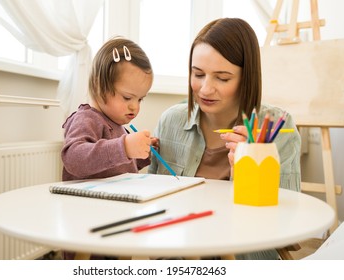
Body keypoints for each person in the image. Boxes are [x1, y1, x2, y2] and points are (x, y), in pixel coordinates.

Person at [148, 18, 301, 260]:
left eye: (222, 78)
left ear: (246, 77)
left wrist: (248, 172)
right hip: (177, 253)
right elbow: (151, 201)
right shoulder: (171, 121)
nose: (205, 89)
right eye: (198, 74)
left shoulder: (275, 127)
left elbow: (287, 224)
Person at [61, 37, 156, 182]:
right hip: (85, 203)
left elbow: (115, 166)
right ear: (99, 85)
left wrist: (142, 152)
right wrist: (124, 147)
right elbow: (74, 159)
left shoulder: (118, 126)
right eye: (127, 97)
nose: (135, 107)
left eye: (140, 99)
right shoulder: (86, 119)